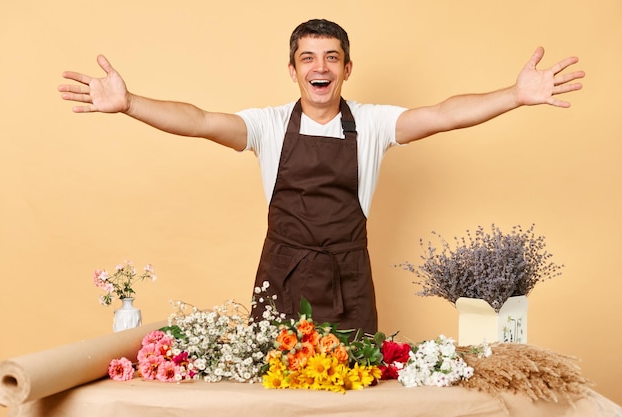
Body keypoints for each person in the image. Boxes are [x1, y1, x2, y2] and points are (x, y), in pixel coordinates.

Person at [58, 19, 584, 334]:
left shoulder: (374, 124)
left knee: (354, 392)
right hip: (281, 278)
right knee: (276, 394)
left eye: (332, 57)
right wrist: (129, 104)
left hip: (349, 280)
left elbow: (443, 112)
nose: (321, 66)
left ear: (346, 69)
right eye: (308, 57)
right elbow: (198, 121)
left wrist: (515, 96)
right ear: (293, 70)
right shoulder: (267, 126)